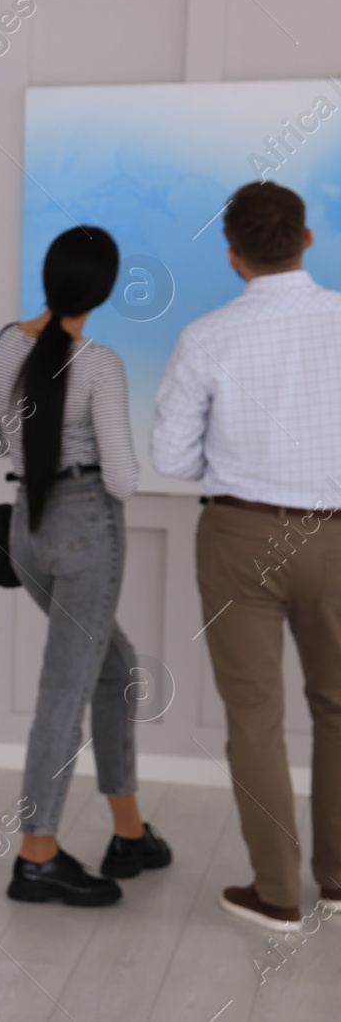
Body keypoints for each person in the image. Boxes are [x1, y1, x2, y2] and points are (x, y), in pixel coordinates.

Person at [153, 181, 341, 933]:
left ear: (234, 257)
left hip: (239, 535)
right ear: (306, 240)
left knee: (254, 717)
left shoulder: (206, 336)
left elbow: (170, 455)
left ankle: (277, 893)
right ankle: (339, 880)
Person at [0, 226, 169, 908]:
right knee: (66, 688)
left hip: (28, 528)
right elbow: (120, 477)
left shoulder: (6, 342)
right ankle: (37, 854)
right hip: (85, 526)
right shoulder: (102, 364)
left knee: (113, 665)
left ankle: (129, 830)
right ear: (105, 290)